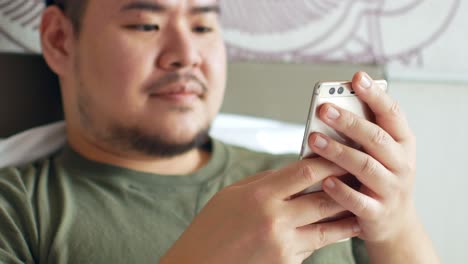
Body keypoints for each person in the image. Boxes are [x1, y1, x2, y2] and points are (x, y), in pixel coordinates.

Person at [0, 0, 440, 263]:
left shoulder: (326, 180)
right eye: (145, 25)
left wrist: (396, 225)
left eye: (203, 26)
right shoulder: (17, 209)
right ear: (59, 40)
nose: (186, 55)